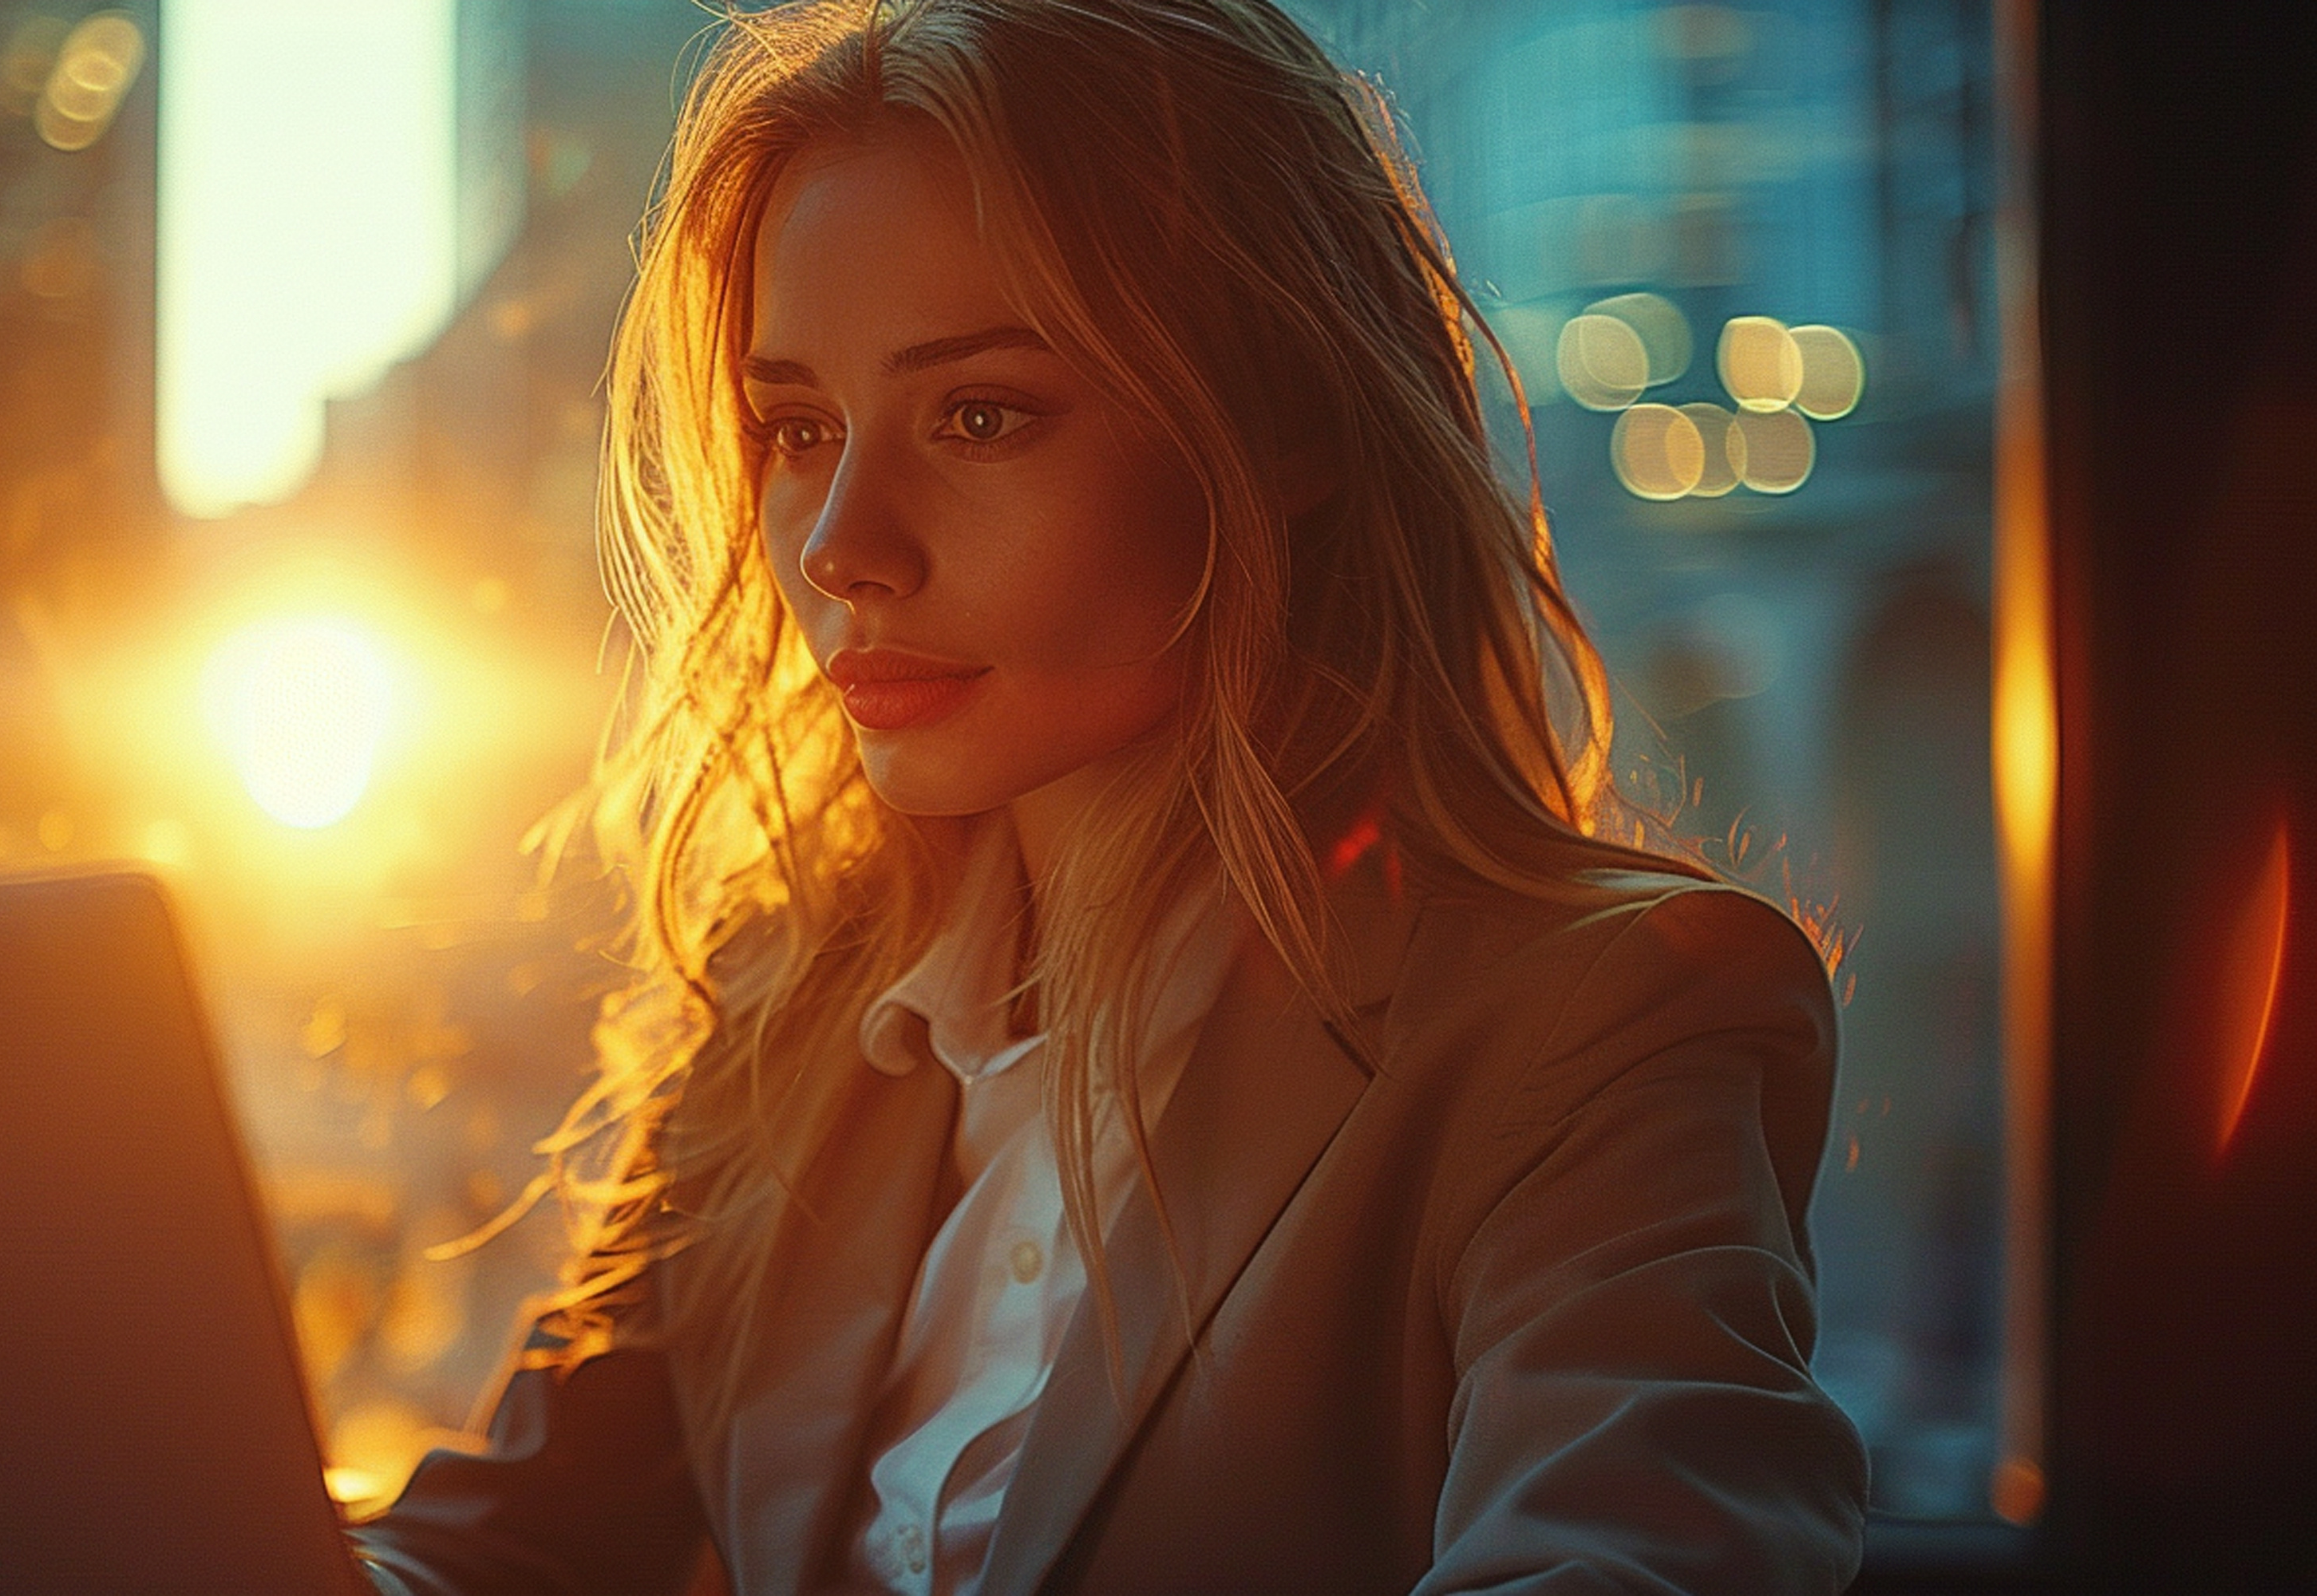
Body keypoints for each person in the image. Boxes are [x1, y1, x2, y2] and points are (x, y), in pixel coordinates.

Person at [354, 0, 1870, 1589]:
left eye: (980, 415)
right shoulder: (791, 1012)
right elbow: (489, 1550)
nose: (840, 544)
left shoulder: (1599, 1024)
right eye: (796, 429)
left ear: (1281, 421)